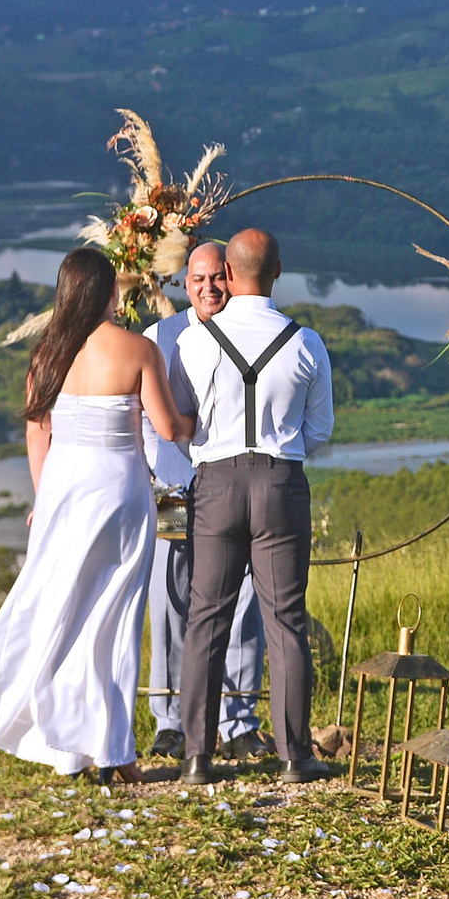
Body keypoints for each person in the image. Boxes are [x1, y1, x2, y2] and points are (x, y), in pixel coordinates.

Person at [0, 248, 191, 780]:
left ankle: (68, 748)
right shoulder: (138, 348)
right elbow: (169, 429)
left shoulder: (46, 355)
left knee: (59, 612)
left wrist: (42, 499)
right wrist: (205, 416)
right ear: (105, 292)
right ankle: (113, 753)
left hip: (63, 489)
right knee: (115, 617)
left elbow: (37, 431)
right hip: (119, 489)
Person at [177, 227, 335, 784]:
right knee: (285, 621)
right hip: (280, 482)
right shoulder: (305, 342)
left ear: (229, 274)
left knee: (205, 619)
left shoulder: (193, 342)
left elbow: (181, 425)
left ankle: (197, 756)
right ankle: (296, 756)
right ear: (276, 272)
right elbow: (319, 431)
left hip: (215, 485)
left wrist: (211, 455)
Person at [141, 241, 270, 762]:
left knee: (243, 601)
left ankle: (237, 719)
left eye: (217, 277)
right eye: (198, 280)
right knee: (168, 598)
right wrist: (168, 476)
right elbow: (150, 422)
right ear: (184, 283)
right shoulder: (160, 336)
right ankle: (169, 719)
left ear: (233, 277)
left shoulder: (255, 333)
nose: (209, 289)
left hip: (234, 487)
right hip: (175, 489)